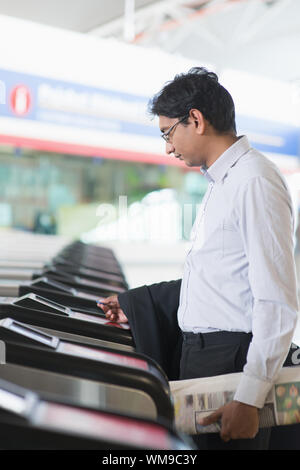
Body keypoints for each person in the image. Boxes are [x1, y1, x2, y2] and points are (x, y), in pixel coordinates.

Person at [101, 67, 299, 450]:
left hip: (232, 367)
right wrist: (133, 305)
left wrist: (248, 398)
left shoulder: (254, 181)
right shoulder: (222, 183)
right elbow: (217, 280)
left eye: (167, 133)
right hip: (208, 361)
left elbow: (276, 301)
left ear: (196, 119)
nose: (168, 148)